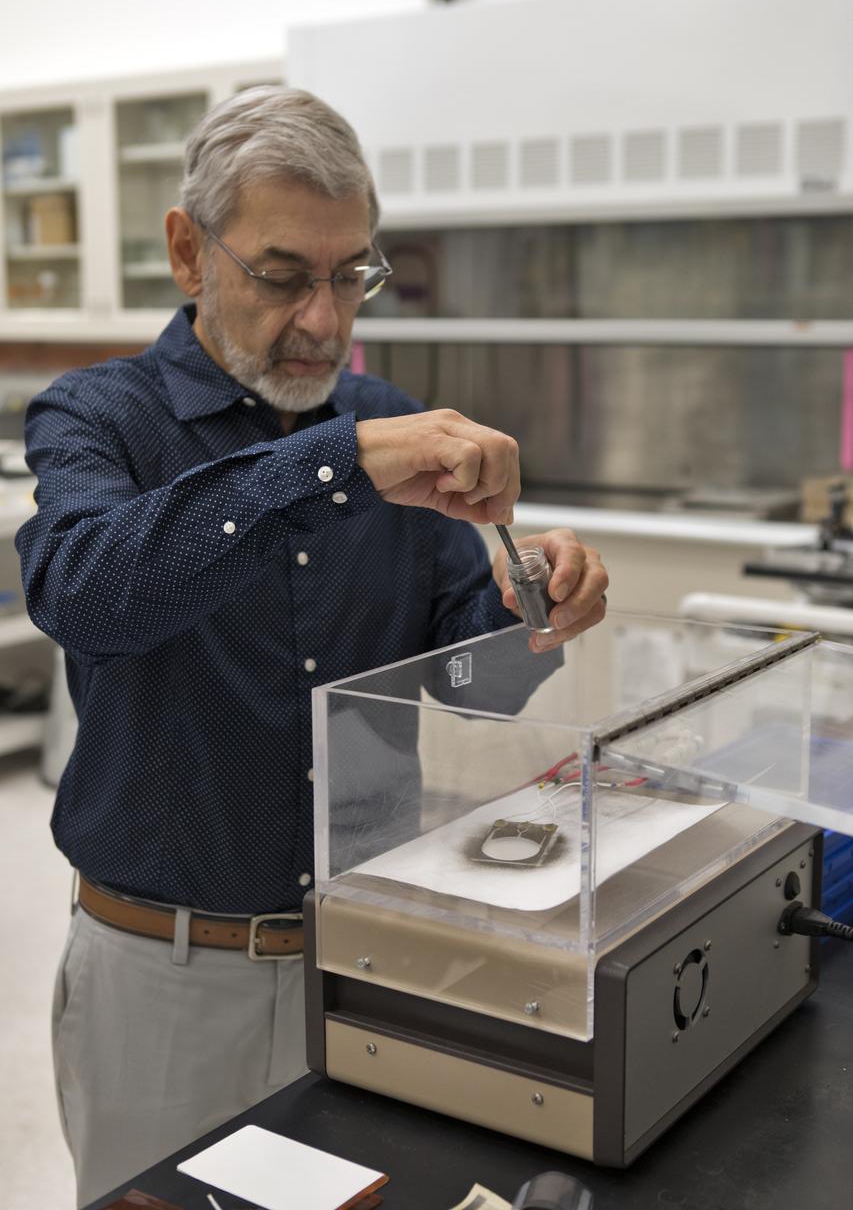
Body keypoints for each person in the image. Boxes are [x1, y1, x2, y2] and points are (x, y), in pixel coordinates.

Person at [16, 86, 608, 1206]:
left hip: (368, 961)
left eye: (351, 275)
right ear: (190, 252)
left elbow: (471, 687)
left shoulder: (385, 417)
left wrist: (537, 610)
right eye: (285, 276)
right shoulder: (97, 416)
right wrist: (336, 466)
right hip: (166, 977)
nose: (326, 321)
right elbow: (88, 593)